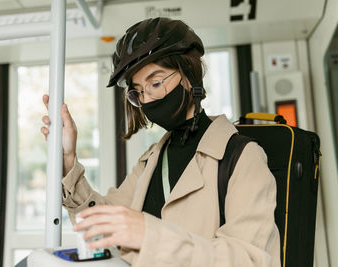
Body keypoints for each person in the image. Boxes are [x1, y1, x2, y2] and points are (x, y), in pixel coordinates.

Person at [41, 17, 280, 267]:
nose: (148, 99)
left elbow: (248, 259)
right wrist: (68, 162)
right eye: (139, 92)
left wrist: (148, 235)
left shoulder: (242, 156)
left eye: (155, 83)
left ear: (189, 75)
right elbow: (104, 226)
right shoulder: (151, 159)